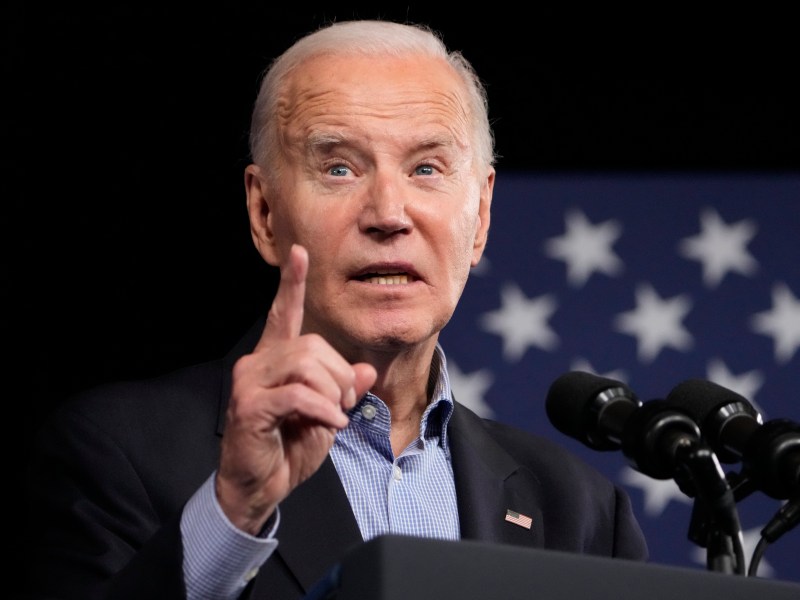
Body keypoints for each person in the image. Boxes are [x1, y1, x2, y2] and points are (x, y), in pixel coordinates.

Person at [23, 19, 648, 600]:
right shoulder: (119, 452)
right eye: (340, 168)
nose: (388, 215)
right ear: (264, 212)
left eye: (426, 168)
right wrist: (233, 511)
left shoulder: (583, 511)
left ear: (480, 215)